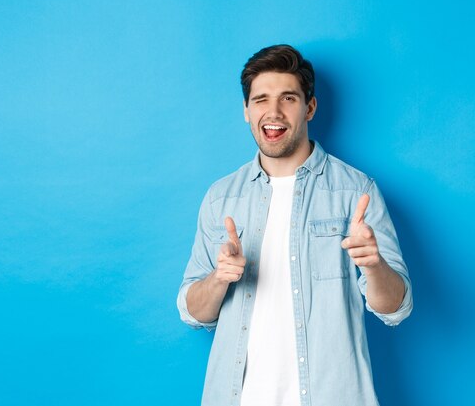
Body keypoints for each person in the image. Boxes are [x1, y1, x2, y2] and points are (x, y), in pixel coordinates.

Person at [177, 44, 413, 406]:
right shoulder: (221, 198)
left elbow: (396, 307)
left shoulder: (355, 191)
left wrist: (374, 265)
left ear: (310, 107)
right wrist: (219, 278)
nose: (273, 112)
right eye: (260, 99)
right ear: (246, 110)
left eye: (288, 98)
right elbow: (194, 313)